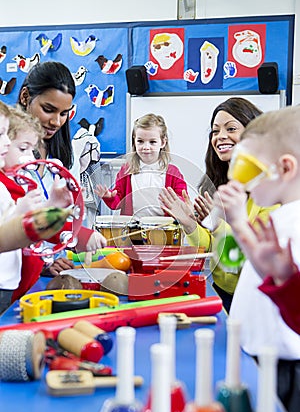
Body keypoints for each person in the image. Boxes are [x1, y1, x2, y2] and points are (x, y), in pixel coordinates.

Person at [213, 105, 300, 412]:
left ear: (285, 167)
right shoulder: (278, 217)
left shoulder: (294, 222)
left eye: (246, 168)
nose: (237, 179)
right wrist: (235, 221)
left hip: (285, 365)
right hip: (260, 357)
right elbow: (268, 274)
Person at [158, 97, 278, 312]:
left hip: (255, 299)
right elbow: (213, 248)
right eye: (215, 131)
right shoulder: (219, 184)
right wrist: (190, 225)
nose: (220, 136)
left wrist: (218, 225)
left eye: (230, 128)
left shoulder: (270, 189)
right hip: (222, 292)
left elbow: (253, 259)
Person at [0, 105, 107, 304]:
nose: (30, 158)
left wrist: (54, 206)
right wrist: (78, 234)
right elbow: (24, 227)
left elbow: (34, 222)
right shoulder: (8, 187)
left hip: (16, 286)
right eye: (23, 149)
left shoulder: (15, 183)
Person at [17, 60, 81, 275]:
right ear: (25, 97)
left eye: (64, 113)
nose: (56, 122)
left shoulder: (57, 156)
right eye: (48, 110)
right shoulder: (6, 151)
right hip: (19, 275)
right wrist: (43, 262)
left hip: (55, 271)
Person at [95, 113, 188, 218]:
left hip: (163, 230)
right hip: (133, 230)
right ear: (134, 141)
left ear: (163, 142)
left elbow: (183, 199)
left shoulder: (173, 172)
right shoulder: (126, 170)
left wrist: (177, 203)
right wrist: (109, 197)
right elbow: (117, 202)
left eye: (152, 142)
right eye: (140, 141)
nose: (146, 147)